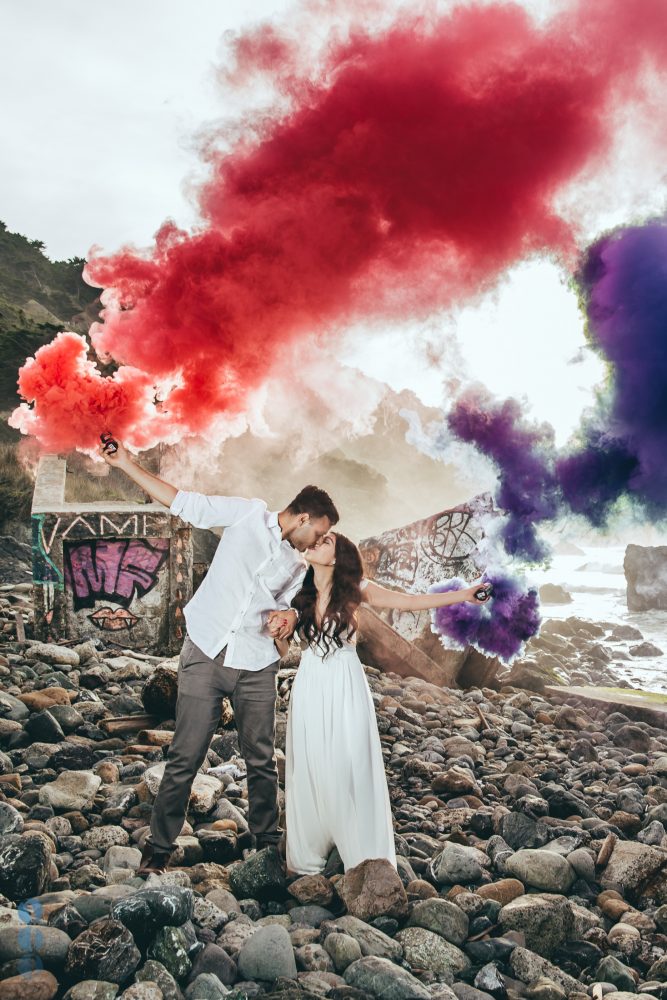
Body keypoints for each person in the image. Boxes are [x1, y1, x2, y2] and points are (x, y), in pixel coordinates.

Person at [98, 439, 339, 874]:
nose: (317, 540)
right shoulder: (247, 514)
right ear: (303, 516)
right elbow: (183, 502)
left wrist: (287, 617)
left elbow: (293, 618)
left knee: (261, 758)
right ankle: (159, 850)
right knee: (185, 755)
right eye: (318, 532)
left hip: (257, 664)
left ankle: (267, 843)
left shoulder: (299, 567)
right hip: (206, 652)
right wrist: (124, 463)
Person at [273, 530, 490, 875]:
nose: (315, 542)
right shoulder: (299, 592)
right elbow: (283, 649)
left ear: (338, 557)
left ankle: (360, 851)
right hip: (310, 682)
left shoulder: (356, 590)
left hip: (345, 682)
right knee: (313, 759)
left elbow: (409, 601)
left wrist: (465, 594)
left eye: (326, 541)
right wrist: (276, 635)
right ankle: (312, 852)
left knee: (349, 759)